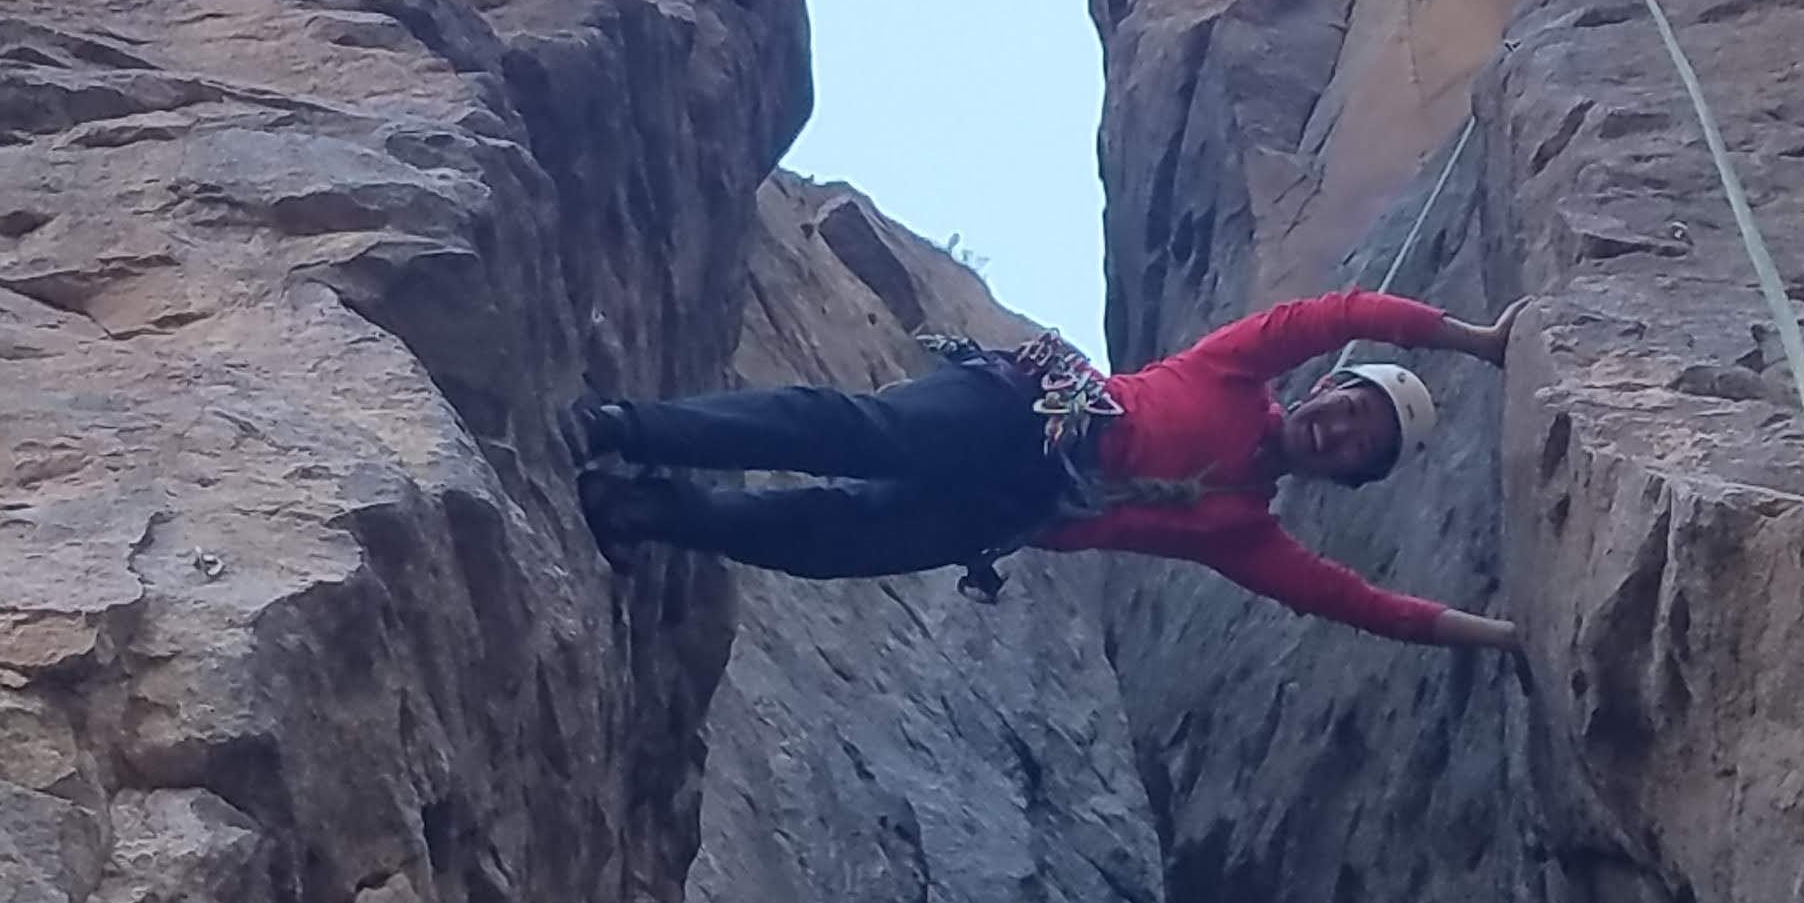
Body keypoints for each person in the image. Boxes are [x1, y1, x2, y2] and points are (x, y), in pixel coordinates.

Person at [572, 290, 1524, 648]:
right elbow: (1340, 312)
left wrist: (1504, 637)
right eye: (1349, 407)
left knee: (827, 540)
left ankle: (639, 508)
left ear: (1348, 481)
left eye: (1361, 445)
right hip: (1023, 413)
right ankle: (626, 426)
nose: (1340, 430)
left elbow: (1357, 605)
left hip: (1015, 506)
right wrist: (1475, 342)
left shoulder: (1242, 532)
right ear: (1324, 388)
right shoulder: (1239, 373)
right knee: (849, 433)